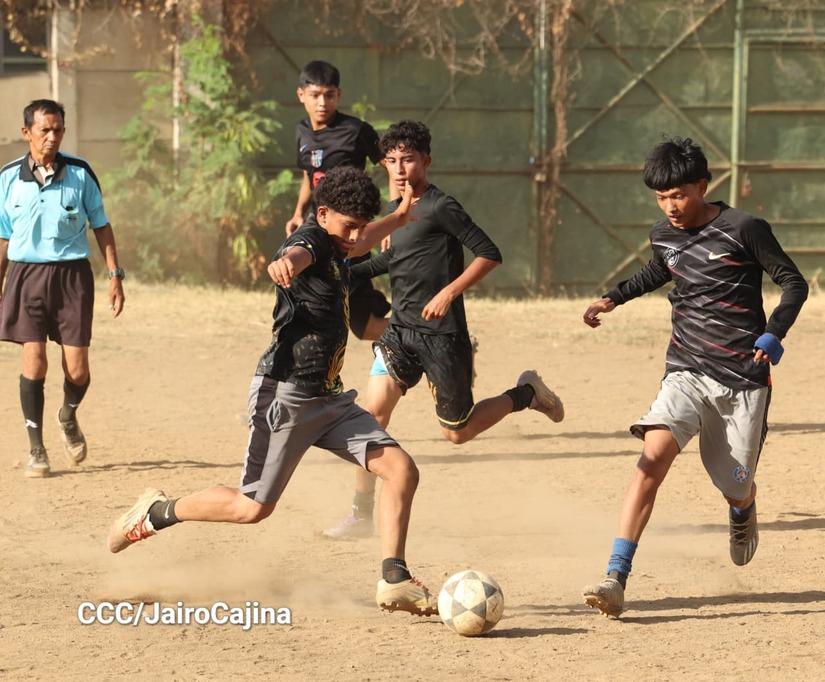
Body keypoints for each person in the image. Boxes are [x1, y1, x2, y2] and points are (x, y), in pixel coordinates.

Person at [107, 167, 440, 616]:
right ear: (321, 214)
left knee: (401, 470)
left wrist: (399, 217)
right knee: (251, 508)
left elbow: (358, 239)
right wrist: (286, 262)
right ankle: (155, 512)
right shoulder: (314, 240)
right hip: (285, 396)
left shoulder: (340, 238)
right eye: (349, 226)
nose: (356, 237)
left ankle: (394, 578)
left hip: (330, 398)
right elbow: (299, 252)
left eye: (362, 226)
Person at [580, 136, 808, 618]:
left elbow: (793, 281)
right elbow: (657, 270)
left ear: (703, 185)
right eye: (662, 199)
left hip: (742, 380)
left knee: (735, 484)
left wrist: (773, 332)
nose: (671, 207)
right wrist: (612, 298)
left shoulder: (744, 228)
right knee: (651, 459)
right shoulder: (663, 233)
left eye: (679, 195)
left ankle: (743, 507)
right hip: (685, 370)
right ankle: (615, 577)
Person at [323, 119, 564, 540]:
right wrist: (341, 271)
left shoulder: (440, 206)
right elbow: (392, 262)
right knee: (372, 416)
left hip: (442, 337)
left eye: (408, 160)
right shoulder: (392, 216)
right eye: (392, 161)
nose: (399, 169)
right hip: (398, 332)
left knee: (457, 432)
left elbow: (490, 253)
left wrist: (448, 293)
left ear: (426, 161)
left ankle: (526, 393)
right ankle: (361, 513)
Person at [0, 99, 126, 479]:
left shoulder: (81, 174)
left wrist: (115, 275)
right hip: (24, 277)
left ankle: (67, 415)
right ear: (27, 133)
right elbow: (4, 237)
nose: (52, 137)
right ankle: (37, 450)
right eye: (44, 130)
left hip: (72, 278)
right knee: (34, 362)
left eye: (58, 130)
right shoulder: (7, 178)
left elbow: (101, 226)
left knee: (78, 369)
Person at [285, 60, 391, 342]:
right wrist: (298, 214)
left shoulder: (356, 131)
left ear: (338, 95)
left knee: (365, 326)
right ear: (301, 95)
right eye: (315, 95)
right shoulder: (301, 131)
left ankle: (430, 337)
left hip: (347, 231)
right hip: (315, 225)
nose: (322, 102)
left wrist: (392, 220)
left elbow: (393, 167)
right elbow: (310, 176)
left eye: (329, 95)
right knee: (306, 284)